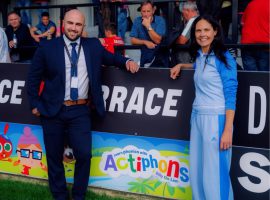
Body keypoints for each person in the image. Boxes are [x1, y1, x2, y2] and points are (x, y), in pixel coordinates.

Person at [27, 9, 139, 200]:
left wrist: (127, 60)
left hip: (80, 110)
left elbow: (111, 58)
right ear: (63, 23)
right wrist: (35, 104)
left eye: (78, 25)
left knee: (84, 155)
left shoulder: (93, 45)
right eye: (70, 23)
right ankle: (60, 195)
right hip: (52, 110)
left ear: (83, 27)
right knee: (54, 158)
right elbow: (33, 79)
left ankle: (78, 196)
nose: (73, 28)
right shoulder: (47, 47)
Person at [170, 15, 238, 200]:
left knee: (214, 174)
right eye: (198, 31)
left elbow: (231, 95)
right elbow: (199, 67)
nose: (202, 34)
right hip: (197, 117)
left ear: (215, 32)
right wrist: (181, 64)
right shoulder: (200, 55)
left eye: (206, 30)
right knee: (198, 171)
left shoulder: (224, 59)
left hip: (216, 119)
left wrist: (228, 130)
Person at [130, 0, 166, 67]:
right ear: (141, 11)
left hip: (159, 56)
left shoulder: (160, 20)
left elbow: (157, 40)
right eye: (144, 11)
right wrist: (145, 42)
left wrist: (148, 26)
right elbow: (132, 40)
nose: (146, 14)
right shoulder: (137, 20)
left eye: (148, 11)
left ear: (153, 11)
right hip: (144, 56)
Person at [241, 0, 269, 71]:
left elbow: (242, 23)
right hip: (265, 45)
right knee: (264, 77)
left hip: (247, 43)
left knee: (250, 77)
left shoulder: (251, 3)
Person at [171, 1, 199, 65]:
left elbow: (181, 40)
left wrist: (173, 41)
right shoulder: (200, 18)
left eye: (183, 12)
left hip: (189, 57)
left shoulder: (192, 20)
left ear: (188, 10)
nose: (183, 15)